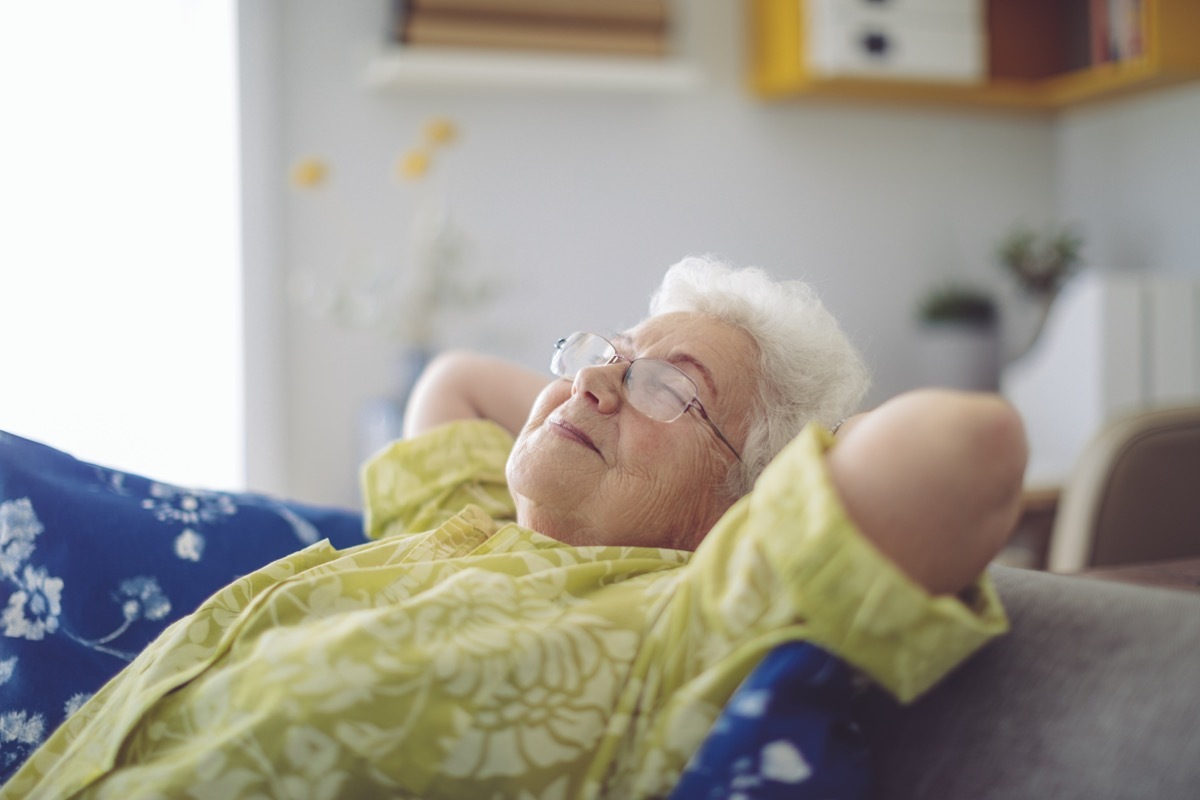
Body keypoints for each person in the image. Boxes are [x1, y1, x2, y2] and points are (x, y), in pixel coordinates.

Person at [2, 256, 1026, 799]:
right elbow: (453, 378)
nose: (587, 378)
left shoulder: (690, 617)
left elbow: (966, 447)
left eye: (669, 383)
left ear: (748, 504)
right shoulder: (479, 518)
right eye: (595, 352)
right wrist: (633, 377)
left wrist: (773, 492)